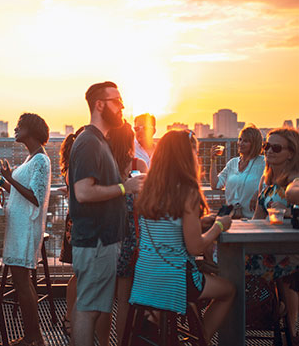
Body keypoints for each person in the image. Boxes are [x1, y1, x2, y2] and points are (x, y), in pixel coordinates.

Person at [129, 130, 235, 342]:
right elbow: (195, 247)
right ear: (188, 156)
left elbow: (167, 226)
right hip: (174, 279)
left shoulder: (147, 188)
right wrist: (219, 227)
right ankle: (200, 338)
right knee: (229, 290)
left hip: (145, 279)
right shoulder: (187, 192)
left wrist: (198, 223)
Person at [69, 82, 145, 346]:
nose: (122, 107)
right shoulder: (89, 142)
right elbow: (83, 192)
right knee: (88, 309)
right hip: (96, 242)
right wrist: (126, 187)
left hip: (103, 242)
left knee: (93, 307)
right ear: (100, 104)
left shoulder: (98, 141)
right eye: (117, 101)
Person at [0, 113, 51, 346]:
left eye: (19, 126)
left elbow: (35, 196)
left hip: (26, 227)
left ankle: (35, 337)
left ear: (31, 130)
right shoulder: (30, 158)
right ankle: (33, 336)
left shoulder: (41, 161)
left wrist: (9, 178)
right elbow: (17, 191)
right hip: (19, 226)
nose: (15, 129)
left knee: (23, 284)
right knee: (22, 283)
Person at [249, 127, 299, 343]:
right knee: (223, 259)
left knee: (285, 271)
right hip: (268, 248)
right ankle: (269, 309)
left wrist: (289, 207)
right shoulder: (266, 183)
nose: (268, 151)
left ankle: (291, 328)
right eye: (266, 146)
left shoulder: (295, 180)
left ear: (291, 153)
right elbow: (256, 221)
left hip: (291, 251)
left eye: (275, 147)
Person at [106, 122, 148, 344]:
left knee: (116, 299)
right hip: (135, 239)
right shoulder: (138, 164)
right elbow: (149, 201)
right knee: (136, 298)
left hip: (110, 237)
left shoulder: (104, 166)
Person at [57, 126, 84, 337]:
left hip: (74, 221)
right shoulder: (78, 166)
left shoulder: (72, 166)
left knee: (79, 273)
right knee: (80, 274)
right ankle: (70, 317)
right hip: (80, 223)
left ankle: (72, 317)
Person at [210, 125, 265, 219]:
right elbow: (215, 184)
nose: (240, 143)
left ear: (255, 144)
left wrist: (259, 194)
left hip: (253, 220)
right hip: (232, 218)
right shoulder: (233, 163)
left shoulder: (263, 162)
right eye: (240, 140)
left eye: (246, 141)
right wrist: (213, 160)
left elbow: (272, 182)